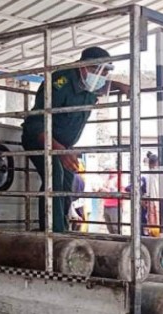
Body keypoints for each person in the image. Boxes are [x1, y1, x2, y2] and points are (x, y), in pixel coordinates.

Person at [21, 46, 129, 233]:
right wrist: (59, 150)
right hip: (40, 139)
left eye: (105, 72)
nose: (101, 75)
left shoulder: (91, 84)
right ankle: (51, 232)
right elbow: (36, 123)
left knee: (68, 181)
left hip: (65, 145)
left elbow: (103, 86)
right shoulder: (60, 82)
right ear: (83, 66)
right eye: (97, 70)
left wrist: (120, 86)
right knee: (54, 175)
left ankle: (61, 226)